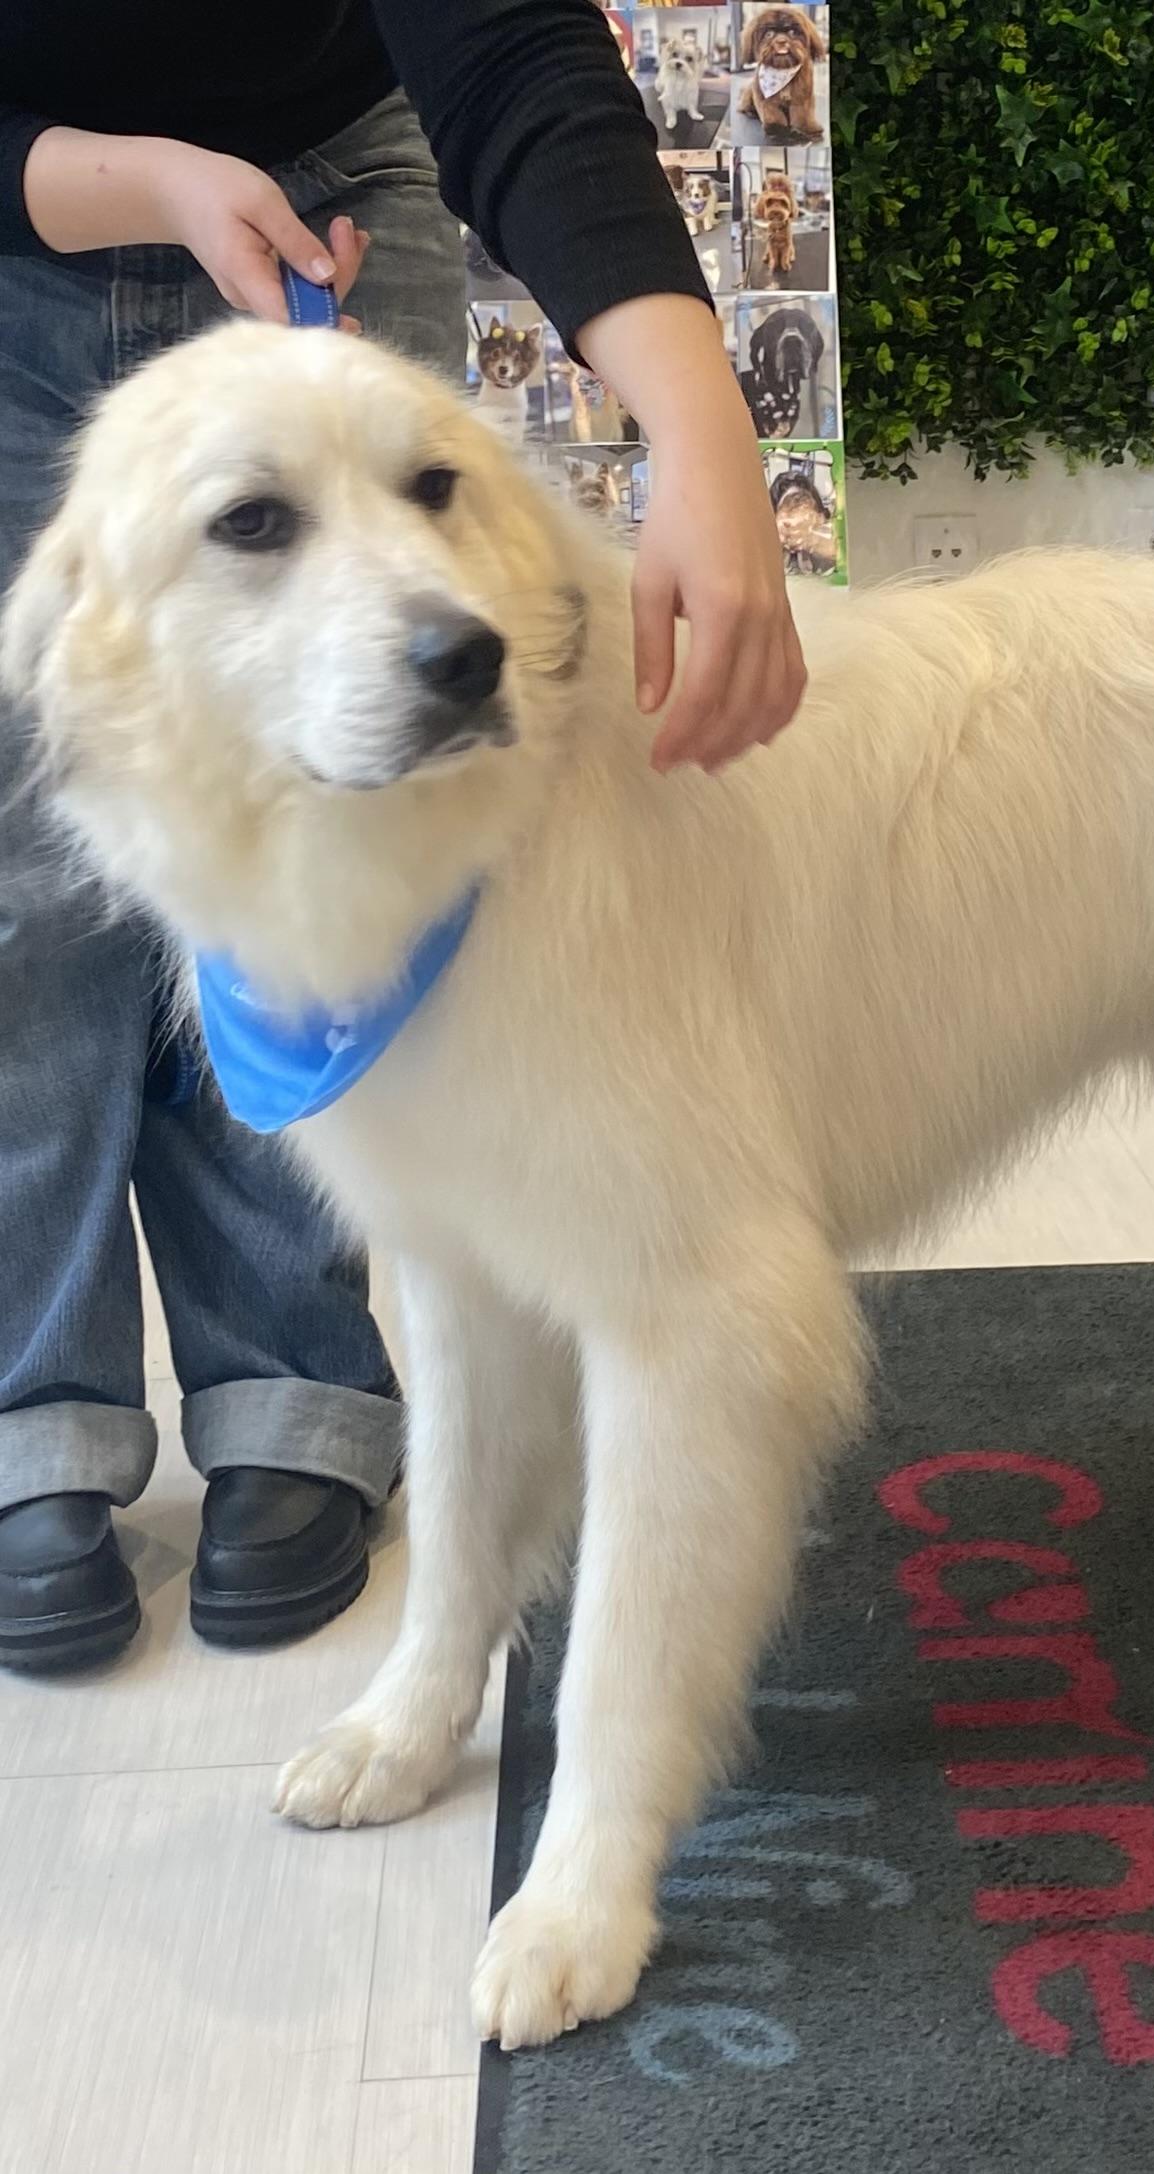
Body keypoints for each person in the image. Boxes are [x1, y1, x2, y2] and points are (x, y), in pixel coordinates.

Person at [0, 1, 805, 1671]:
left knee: (361, 834)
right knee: (32, 886)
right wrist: (130, 178)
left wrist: (707, 436)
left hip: (340, 168)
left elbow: (509, 48)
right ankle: (38, 1424)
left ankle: (294, 1386)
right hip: (21, 203)